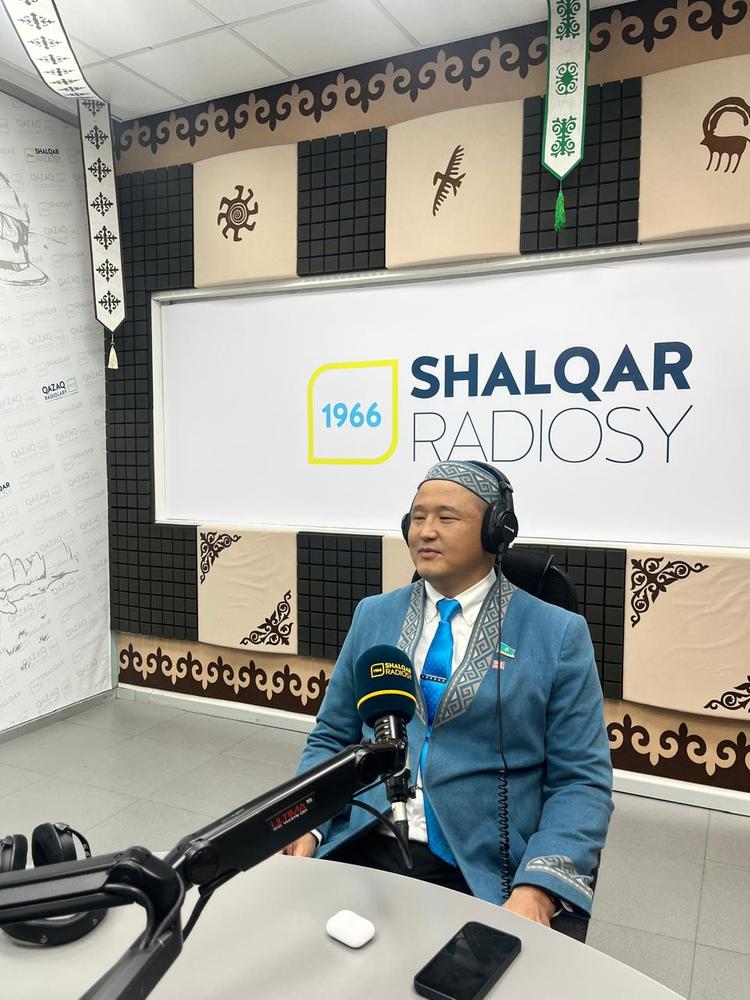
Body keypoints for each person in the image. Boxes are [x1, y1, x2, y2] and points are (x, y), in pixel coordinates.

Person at [284, 461, 613, 930]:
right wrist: (307, 818)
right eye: (417, 517)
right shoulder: (374, 615)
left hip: (482, 864)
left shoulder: (557, 633)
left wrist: (537, 890)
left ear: (496, 531)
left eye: (446, 517)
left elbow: (581, 782)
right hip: (361, 835)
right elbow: (333, 734)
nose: (425, 531)